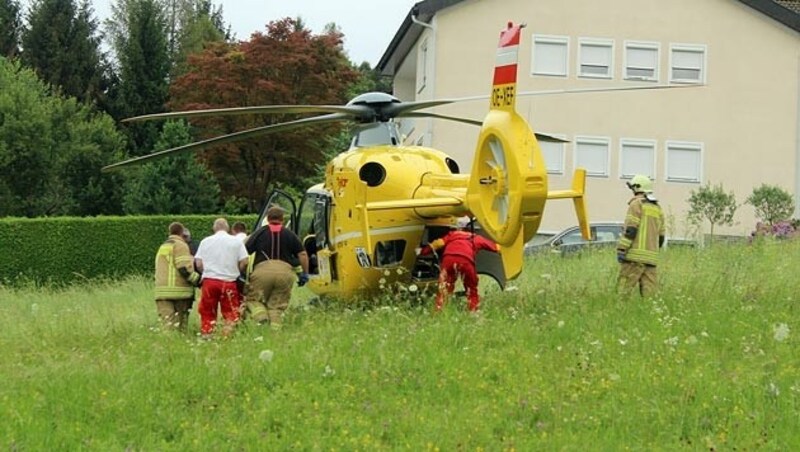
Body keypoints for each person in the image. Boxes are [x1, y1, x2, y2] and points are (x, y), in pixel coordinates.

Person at [244, 206, 309, 327]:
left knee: (253, 300)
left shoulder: (260, 232)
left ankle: (261, 318)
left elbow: (244, 252)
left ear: (267, 219)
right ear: (282, 219)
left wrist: (243, 273)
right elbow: (303, 254)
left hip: (262, 272)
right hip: (285, 273)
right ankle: (275, 333)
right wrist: (304, 273)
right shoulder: (290, 234)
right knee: (277, 307)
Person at [418, 215, 499, 312]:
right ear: (468, 228)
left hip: (449, 260)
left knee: (444, 288)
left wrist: (421, 252)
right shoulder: (475, 237)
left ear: (456, 227)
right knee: (471, 289)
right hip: (466, 261)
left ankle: (438, 312)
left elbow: (438, 244)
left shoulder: (451, 235)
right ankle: (473, 312)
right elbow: (496, 248)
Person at [194, 218, 249, 337]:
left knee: (207, 310)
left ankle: (207, 334)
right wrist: (237, 271)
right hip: (229, 282)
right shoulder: (236, 242)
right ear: (228, 228)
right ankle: (227, 336)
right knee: (230, 311)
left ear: (214, 228)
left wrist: (206, 272)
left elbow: (198, 263)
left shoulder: (205, 241)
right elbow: (244, 261)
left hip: (209, 282)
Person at [616, 174, 666, 297]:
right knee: (650, 298)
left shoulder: (636, 204)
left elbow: (631, 230)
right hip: (651, 260)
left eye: (633, 188)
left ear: (637, 188)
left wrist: (622, 249)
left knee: (621, 294)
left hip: (634, 258)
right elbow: (661, 236)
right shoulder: (657, 208)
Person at [154, 222, 201, 333]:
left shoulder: (163, 246)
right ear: (181, 233)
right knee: (180, 327)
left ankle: (166, 346)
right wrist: (198, 281)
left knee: (167, 326)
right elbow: (184, 269)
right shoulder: (181, 245)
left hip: (161, 293)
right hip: (180, 293)